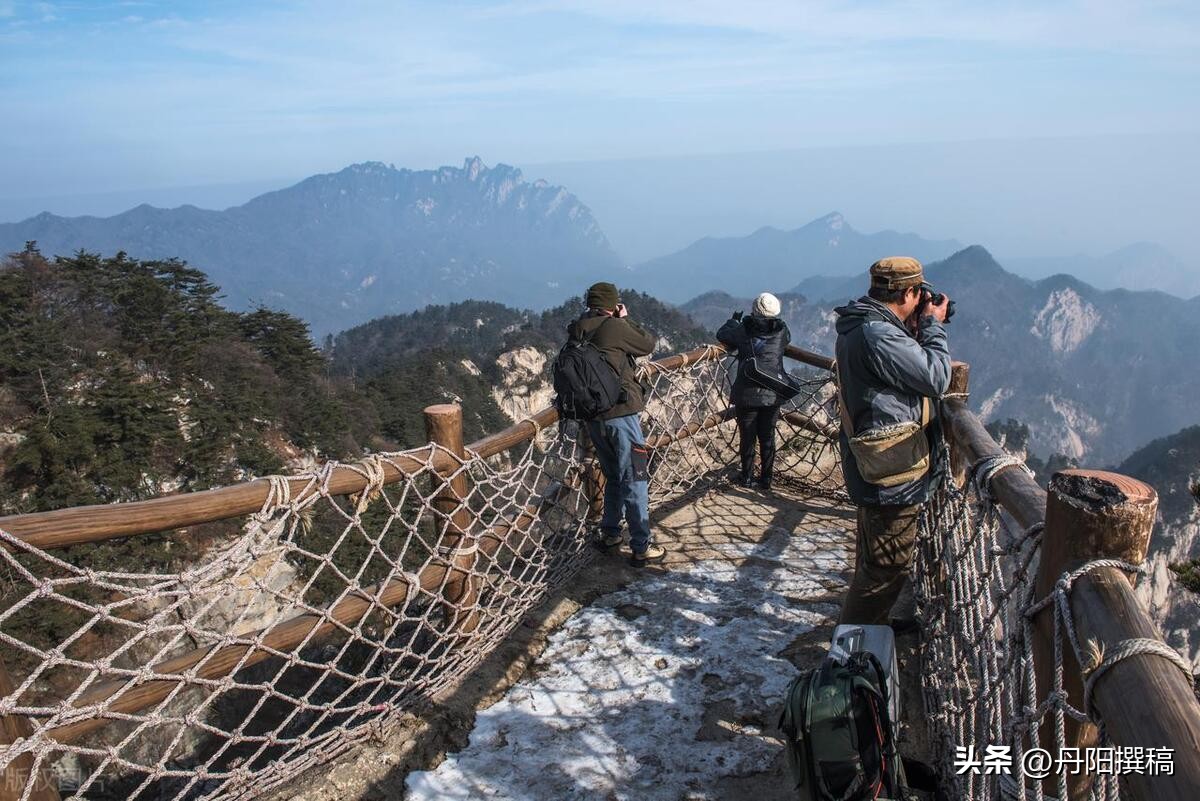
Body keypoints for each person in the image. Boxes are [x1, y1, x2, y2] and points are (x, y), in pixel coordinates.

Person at [834, 256, 952, 627]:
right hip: (892, 470)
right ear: (910, 292)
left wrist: (915, 329)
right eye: (920, 296)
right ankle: (851, 655)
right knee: (885, 568)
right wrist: (932, 327)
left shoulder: (866, 325)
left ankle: (873, 625)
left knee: (876, 559)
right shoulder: (878, 334)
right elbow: (936, 378)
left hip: (881, 459)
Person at [568, 282, 664, 566]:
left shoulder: (576, 328)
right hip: (621, 414)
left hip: (593, 418)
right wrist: (625, 319)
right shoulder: (614, 326)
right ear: (612, 304)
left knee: (612, 475)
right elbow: (647, 343)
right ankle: (641, 545)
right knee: (635, 478)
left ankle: (610, 533)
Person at [716, 292, 791, 491]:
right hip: (773, 392)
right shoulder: (782, 330)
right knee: (768, 437)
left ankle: (747, 477)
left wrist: (733, 321)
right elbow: (787, 340)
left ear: (754, 310)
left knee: (747, 437)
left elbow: (722, 335)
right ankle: (766, 479)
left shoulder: (744, 330)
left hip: (747, 393)